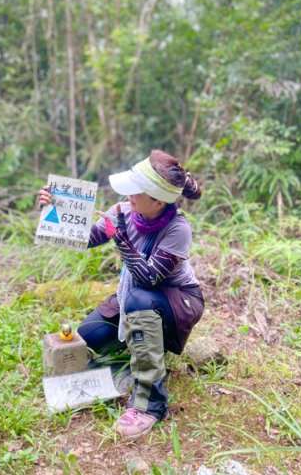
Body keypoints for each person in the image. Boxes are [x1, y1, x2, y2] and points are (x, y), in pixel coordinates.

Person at [38, 149, 204, 441]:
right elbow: (88, 237)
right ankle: (142, 344)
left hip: (175, 301)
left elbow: (149, 277)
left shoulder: (178, 228)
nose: (127, 197)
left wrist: (122, 238)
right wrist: (53, 210)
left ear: (157, 201)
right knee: (88, 336)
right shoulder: (125, 211)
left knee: (140, 298)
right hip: (134, 297)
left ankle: (150, 404)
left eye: (133, 192)